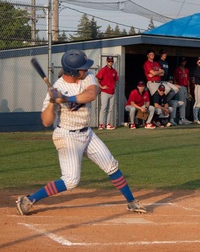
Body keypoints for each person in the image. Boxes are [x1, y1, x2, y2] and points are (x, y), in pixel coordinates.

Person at [15, 50, 146, 215]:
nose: (86, 69)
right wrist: (52, 102)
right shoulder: (58, 88)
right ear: (73, 71)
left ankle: (131, 202)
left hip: (87, 132)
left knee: (111, 165)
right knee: (70, 181)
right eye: (82, 68)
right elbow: (46, 121)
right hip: (67, 136)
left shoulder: (88, 76)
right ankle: (28, 200)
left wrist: (66, 99)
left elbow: (92, 93)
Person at [95, 55, 118, 129]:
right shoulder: (103, 70)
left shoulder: (114, 71)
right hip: (105, 92)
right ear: (106, 61)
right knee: (104, 108)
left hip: (112, 92)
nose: (110, 62)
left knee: (110, 109)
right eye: (109, 61)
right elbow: (97, 78)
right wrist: (101, 86)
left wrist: (114, 85)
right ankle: (101, 124)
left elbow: (116, 79)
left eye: (111, 61)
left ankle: (108, 124)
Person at [173, 56, 191, 124]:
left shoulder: (186, 70)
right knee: (181, 103)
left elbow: (188, 80)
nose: (183, 62)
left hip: (185, 87)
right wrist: (176, 88)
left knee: (185, 103)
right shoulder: (177, 69)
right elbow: (175, 79)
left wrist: (188, 90)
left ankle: (183, 118)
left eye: (184, 61)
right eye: (182, 61)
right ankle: (181, 118)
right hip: (179, 87)